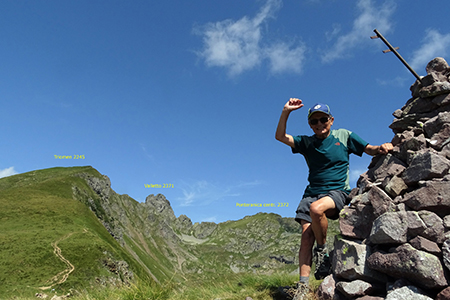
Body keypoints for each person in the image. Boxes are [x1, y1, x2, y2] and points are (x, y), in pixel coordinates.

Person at [275, 98, 392, 299]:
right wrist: (286, 111)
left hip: (337, 192)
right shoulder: (307, 142)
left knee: (316, 209)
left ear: (331, 120)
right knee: (305, 237)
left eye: (323, 119)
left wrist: (381, 148)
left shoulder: (343, 136)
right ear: (310, 124)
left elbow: (368, 148)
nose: (319, 124)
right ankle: (303, 288)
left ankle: (322, 252)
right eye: (314, 121)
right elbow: (280, 137)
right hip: (311, 192)